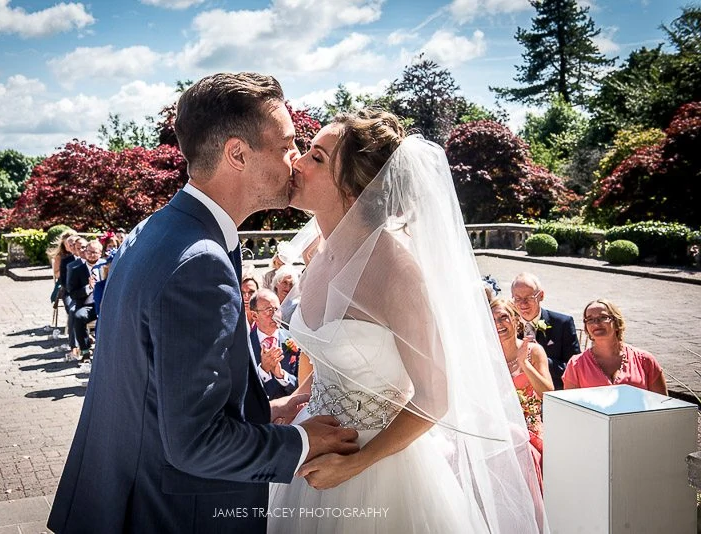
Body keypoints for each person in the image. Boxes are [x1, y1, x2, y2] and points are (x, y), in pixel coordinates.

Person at [47, 72, 358, 534]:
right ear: (237, 153)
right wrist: (299, 443)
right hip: (171, 515)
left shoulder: (156, 231)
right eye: (287, 145)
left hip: (124, 498)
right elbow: (194, 443)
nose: (295, 159)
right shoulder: (199, 262)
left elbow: (156, 388)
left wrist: (263, 415)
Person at [268, 109, 544, 533]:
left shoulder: (396, 270)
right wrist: (295, 399)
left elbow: (434, 397)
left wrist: (358, 464)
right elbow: (339, 354)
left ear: (356, 188)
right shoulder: (320, 255)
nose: (298, 163)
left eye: (317, 158)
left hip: (378, 468)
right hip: (313, 447)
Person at [490, 297, 554, 490]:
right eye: (492, 320)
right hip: (497, 428)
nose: (499, 324)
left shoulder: (533, 351)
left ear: (516, 320)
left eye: (503, 317)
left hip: (529, 428)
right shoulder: (487, 355)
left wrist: (524, 364)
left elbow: (548, 393)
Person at [563, 299, 667, 394]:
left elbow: (663, 406)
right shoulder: (576, 365)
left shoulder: (645, 360)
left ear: (617, 322)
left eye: (603, 317)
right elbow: (571, 409)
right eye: (590, 319)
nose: (596, 323)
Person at [511, 272, 581, 389]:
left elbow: (575, 369)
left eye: (529, 298)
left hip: (552, 395)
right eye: (517, 299)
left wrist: (539, 359)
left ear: (541, 295)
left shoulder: (562, 324)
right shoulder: (507, 325)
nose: (523, 304)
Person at [249, 288, 299, 400]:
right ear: (254, 316)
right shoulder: (245, 344)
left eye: (277, 309)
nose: (275, 315)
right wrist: (263, 371)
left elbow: (304, 384)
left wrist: (281, 375)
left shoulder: (294, 339)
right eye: (269, 310)